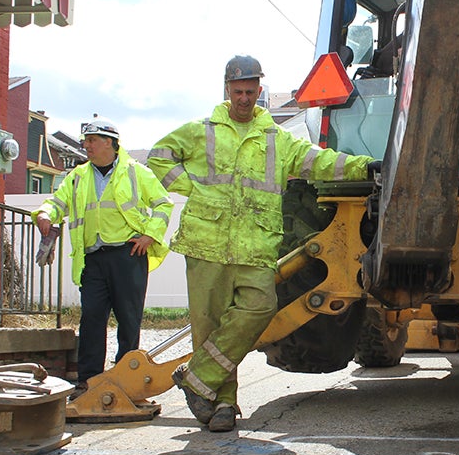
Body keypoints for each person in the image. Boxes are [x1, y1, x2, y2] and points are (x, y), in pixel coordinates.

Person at [148, 55, 379, 433]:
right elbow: (158, 158)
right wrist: (193, 189)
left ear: (260, 91)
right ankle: (222, 404)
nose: (244, 98)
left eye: (251, 91)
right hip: (206, 242)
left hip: (255, 247)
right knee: (211, 328)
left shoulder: (276, 139)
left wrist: (363, 166)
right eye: (238, 91)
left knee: (259, 309)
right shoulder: (201, 131)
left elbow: (319, 162)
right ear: (227, 90)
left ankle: (196, 378)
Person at [35, 117, 174, 391]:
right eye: (85, 141)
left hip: (128, 255)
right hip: (93, 259)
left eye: (92, 140)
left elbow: (163, 204)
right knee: (92, 319)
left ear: (109, 143)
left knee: (129, 319)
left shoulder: (136, 172)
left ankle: (125, 380)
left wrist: (149, 235)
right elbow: (56, 202)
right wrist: (44, 214)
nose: (86, 146)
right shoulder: (77, 176)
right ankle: (88, 382)